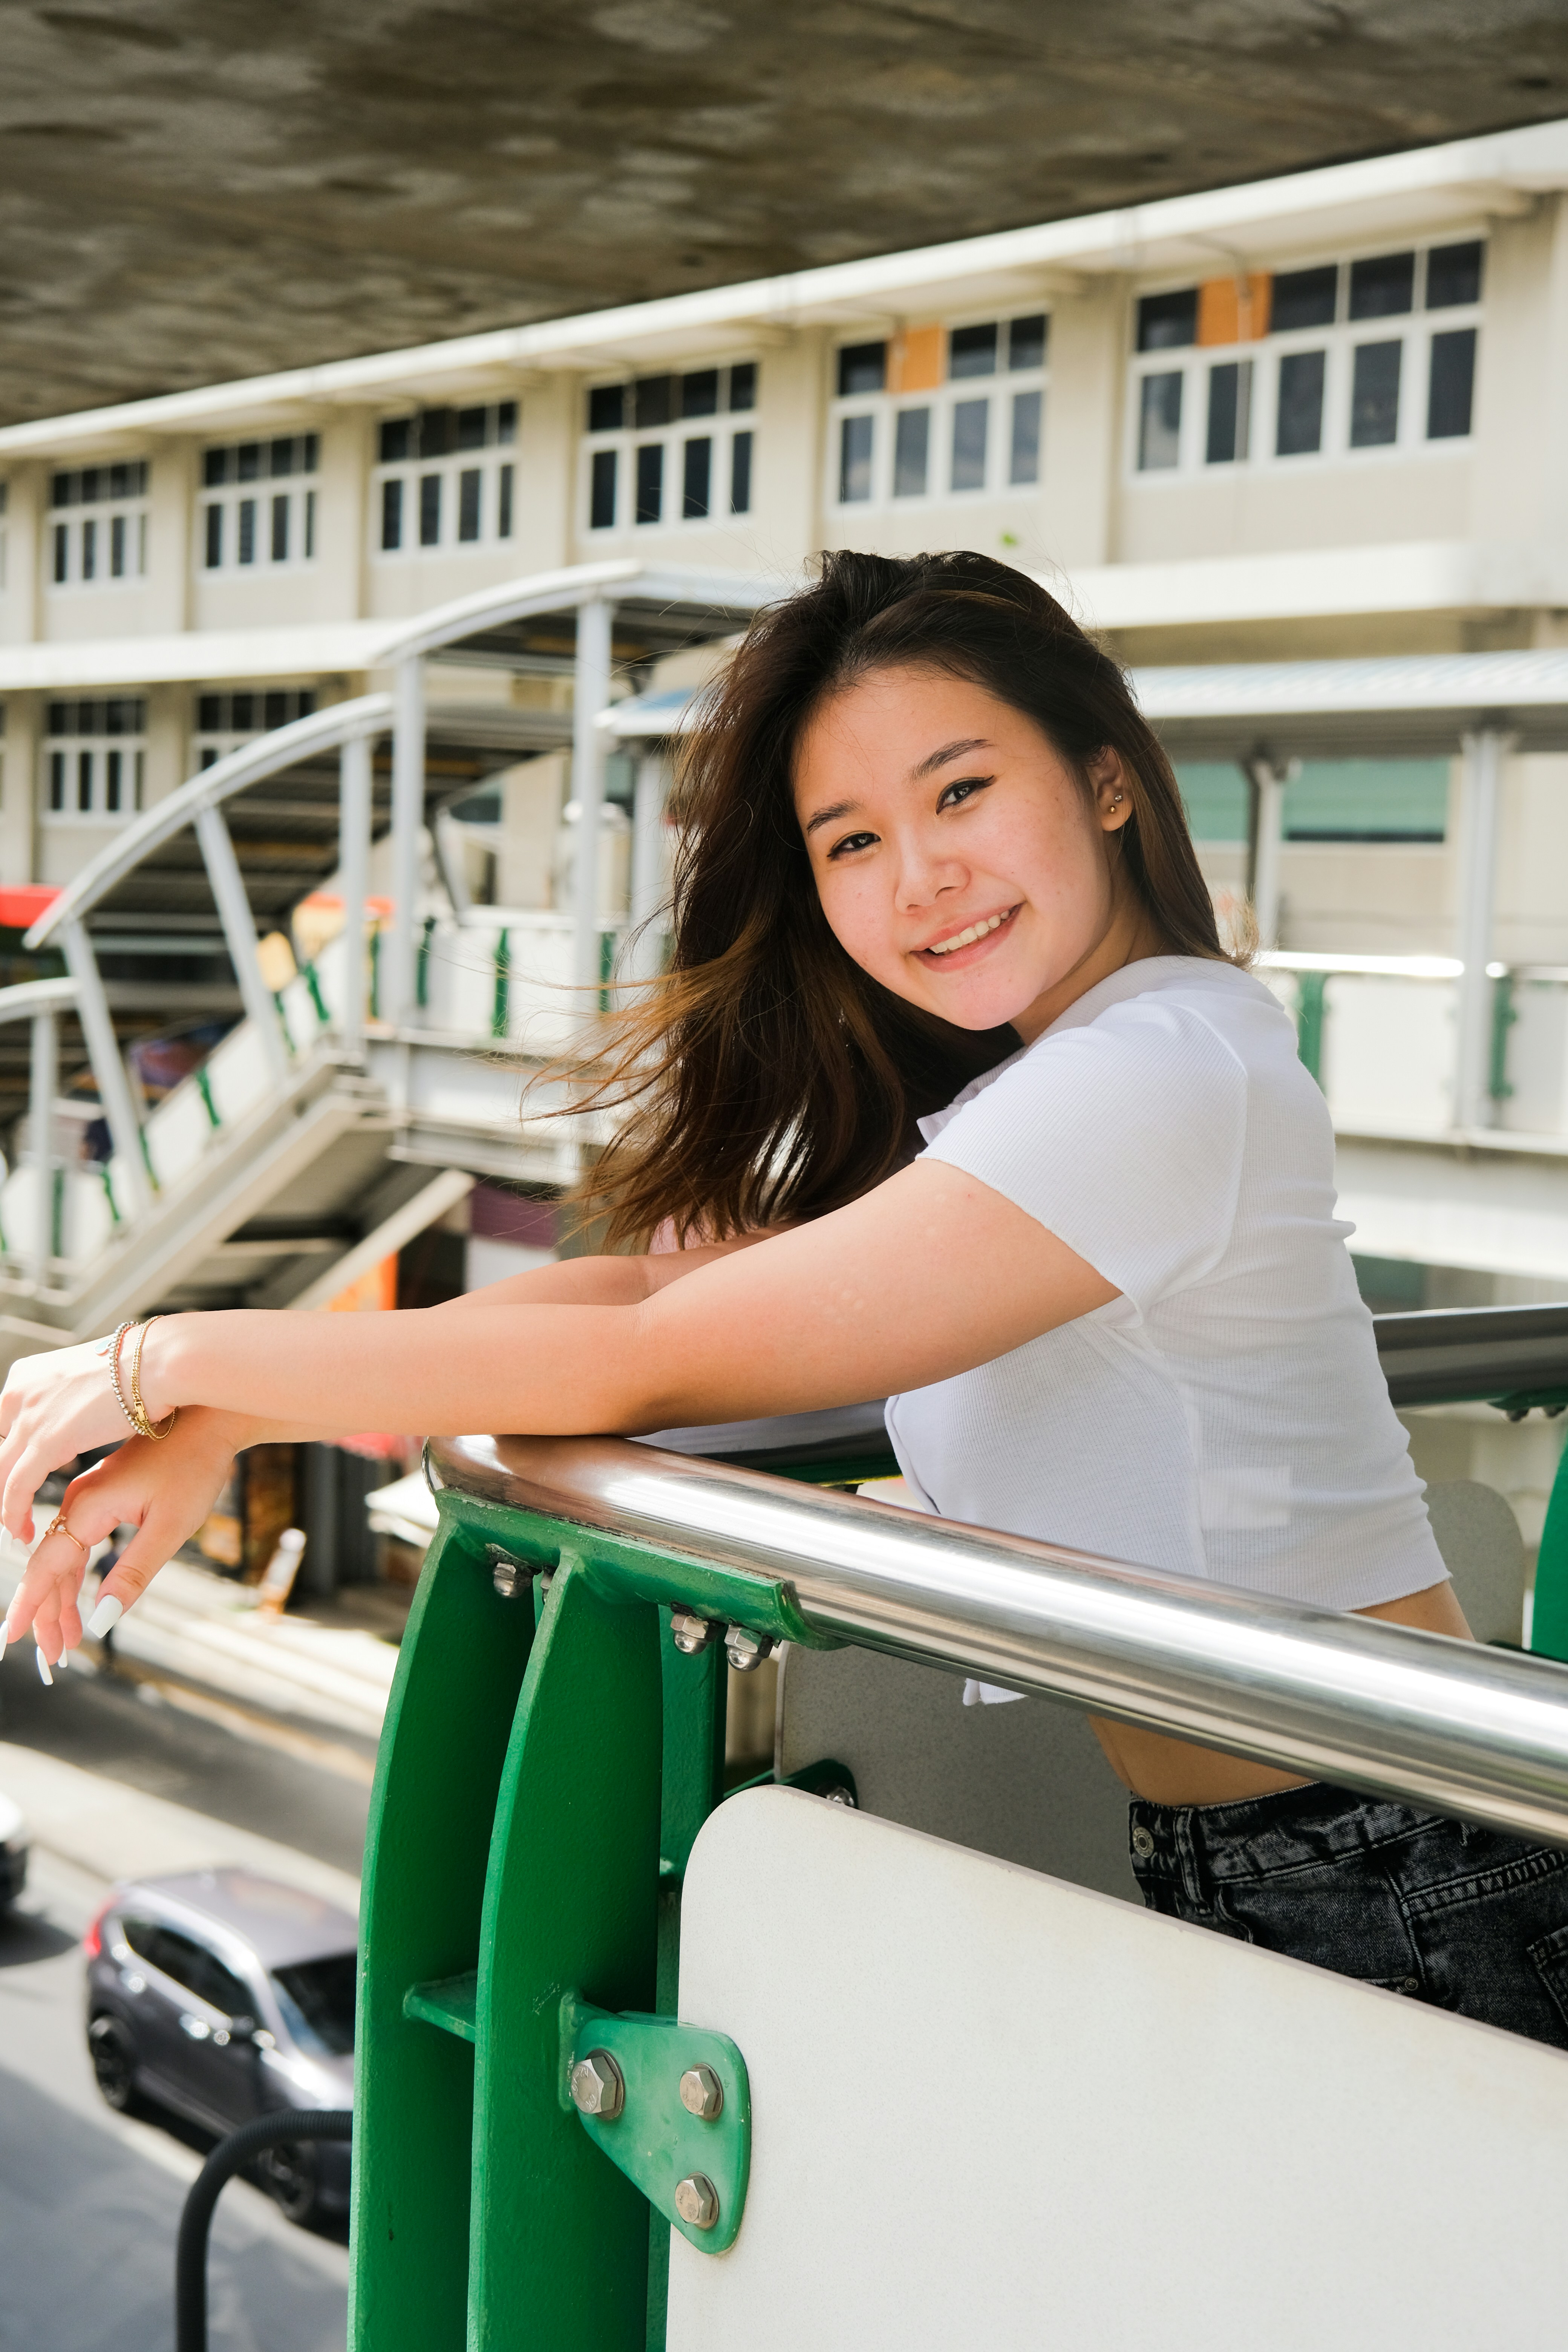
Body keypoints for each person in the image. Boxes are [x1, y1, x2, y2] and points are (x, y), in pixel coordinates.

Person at [2, 550, 1565, 2047]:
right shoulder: (1077, 1079)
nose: (919, 876)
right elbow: (648, 1289)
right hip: (1305, 1844)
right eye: (850, 841)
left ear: (1102, 781)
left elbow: (645, 1357)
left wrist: (160, 1357)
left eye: (960, 791)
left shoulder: (1158, 1078)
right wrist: (216, 1420)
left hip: (1402, 1871)